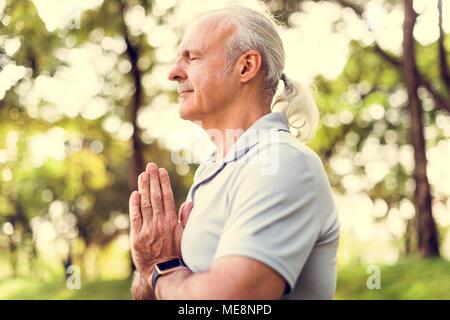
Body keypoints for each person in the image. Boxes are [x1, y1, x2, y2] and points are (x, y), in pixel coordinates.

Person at [128, 5, 340, 300]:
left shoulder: (283, 163)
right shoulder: (213, 170)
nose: (173, 73)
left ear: (246, 66)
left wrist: (163, 268)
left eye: (192, 57)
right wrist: (150, 269)